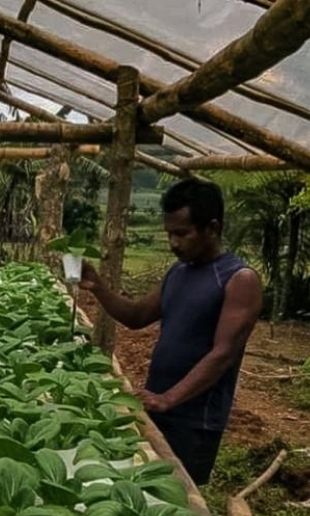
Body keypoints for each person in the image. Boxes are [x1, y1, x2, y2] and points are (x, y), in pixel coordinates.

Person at [81, 178, 263, 485]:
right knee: (145, 490)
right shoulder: (178, 272)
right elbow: (137, 316)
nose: (174, 243)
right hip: (159, 404)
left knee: (179, 502)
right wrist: (98, 287)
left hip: (195, 422)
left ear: (213, 228)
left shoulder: (238, 279)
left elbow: (223, 354)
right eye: (169, 234)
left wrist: (170, 398)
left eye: (182, 233)